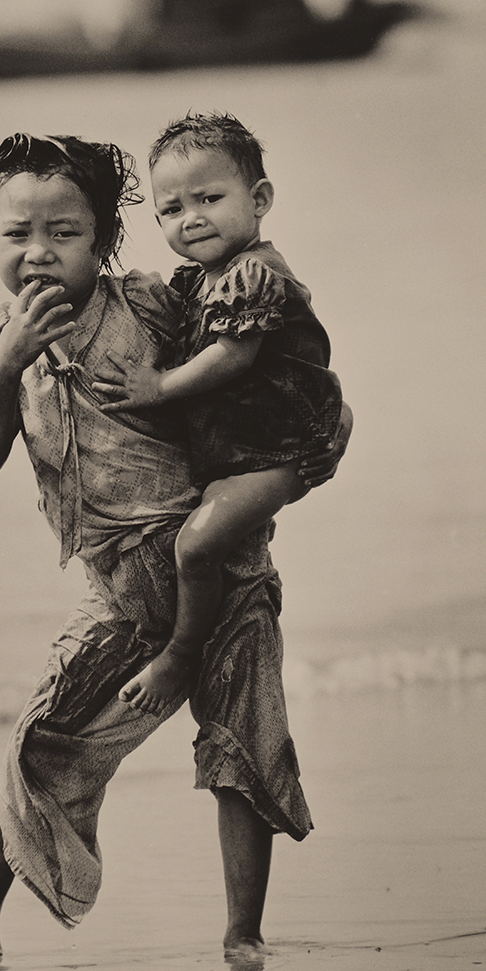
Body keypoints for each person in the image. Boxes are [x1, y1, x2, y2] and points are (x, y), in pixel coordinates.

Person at [0, 132, 351, 966]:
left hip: (222, 571)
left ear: (104, 241)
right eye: (17, 236)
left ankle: (243, 938)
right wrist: (13, 360)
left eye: (65, 233)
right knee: (41, 744)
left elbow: (249, 363)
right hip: (120, 594)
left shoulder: (154, 308)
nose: (40, 253)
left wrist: (306, 444)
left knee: (241, 748)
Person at [94, 113, 343, 716]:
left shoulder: (254, 274)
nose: (193, 218)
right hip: (242, 451)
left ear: (258, 200)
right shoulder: (202, 280)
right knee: (208, 543)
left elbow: (234, 355)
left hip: (277, 452)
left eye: (210, 198)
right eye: (173, 210)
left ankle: (182, 654)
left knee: (196, 548)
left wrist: (160, 387)